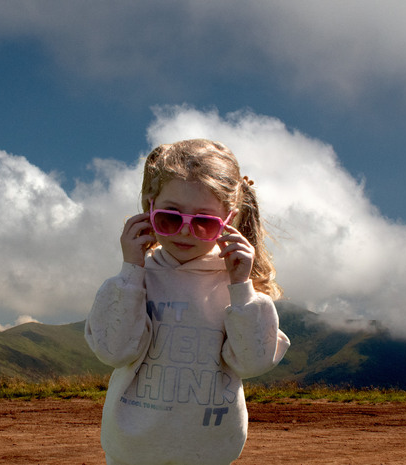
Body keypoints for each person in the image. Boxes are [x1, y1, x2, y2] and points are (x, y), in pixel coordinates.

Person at [85, 138, 291, 465]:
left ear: (229, 219)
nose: (185, 231)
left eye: (204, 222)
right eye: (170, 217)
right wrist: (131, 271)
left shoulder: (237, 284)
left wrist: (241, 287)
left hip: (210, 453)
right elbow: (113, 351)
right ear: (149, 206)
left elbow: (253, 363)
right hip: (132, 453)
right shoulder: (135, 278)